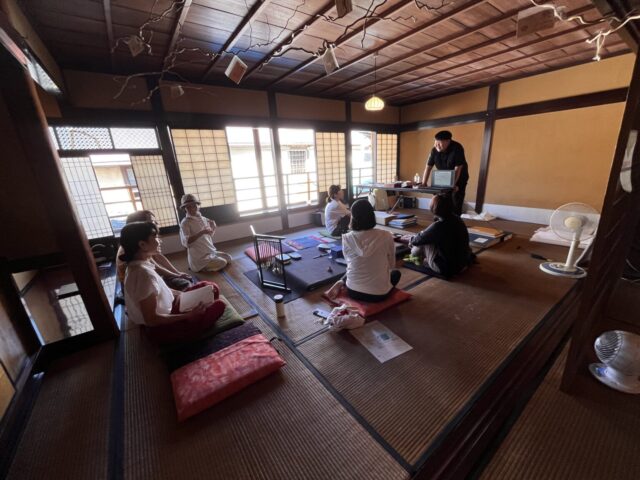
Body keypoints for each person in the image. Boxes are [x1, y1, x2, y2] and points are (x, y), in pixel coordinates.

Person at [120, 221, 227, 344]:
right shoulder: (143, 275)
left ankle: (193, 309)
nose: (160, 240)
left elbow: (159, 290)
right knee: (219, 305)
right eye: (155, 237)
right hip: (160, 328)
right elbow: (151, 320)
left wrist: (181, 295)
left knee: (211, 287)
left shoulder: (138, 264)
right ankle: (190, 326)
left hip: (169, 306)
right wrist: (189, 315)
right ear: (142, 245)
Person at [326, 199, 401, 302]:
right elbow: (392, 265)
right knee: (396, 273)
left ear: (353, 217)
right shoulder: (386, 235)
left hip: (352, 291)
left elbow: (350, 264)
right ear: (372, 216)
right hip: (379, 294)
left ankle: (341, 282)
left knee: (357, 267)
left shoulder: (346, 238)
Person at [116, 210, 192, 290]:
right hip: (138, 286)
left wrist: (177, 273)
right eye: (153, 222)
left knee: (182, 280)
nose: (157, 224)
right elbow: (155, 268)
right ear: (139, 224)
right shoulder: (135, 251)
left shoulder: (140, 243)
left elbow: (158, 256)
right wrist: (177, 275)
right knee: (185, 283)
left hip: (147, 280)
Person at [402, 194, 473, 278]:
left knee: (423, 240)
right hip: (463, 263)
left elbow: (417, 240)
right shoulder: (458, 219)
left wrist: (411, 238)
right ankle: (418, 256)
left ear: (434, 208)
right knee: (425, 236)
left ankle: (414, 257)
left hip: (447, 268)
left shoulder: (438, 226)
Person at [179, 193, 232, 272]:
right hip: (199, 256)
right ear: (185, 209)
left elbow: (209, 235)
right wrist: (202, 232)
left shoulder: (203, 218)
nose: (192, 208)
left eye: (194, 205)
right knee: (223, 262)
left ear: (198, 206)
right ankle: (198, 267)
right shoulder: (185, 223)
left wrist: (213, 227)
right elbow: (186, 242)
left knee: (229, 258)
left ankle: (210, 262)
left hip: (209, 251)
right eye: (188, 207)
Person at [422, 130, 469, 216]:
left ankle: (455, 221)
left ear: (448, 141)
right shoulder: (434, 150)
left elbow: (458, 168)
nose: (437, 145)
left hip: (458, 178)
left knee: (455, 202)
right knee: (440, 201)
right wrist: (424, 183)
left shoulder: (457, 148)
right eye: (435, 143)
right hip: (443, 179)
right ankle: (439, 219)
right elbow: (428, 167)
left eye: (439, 143)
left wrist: (452, 185)